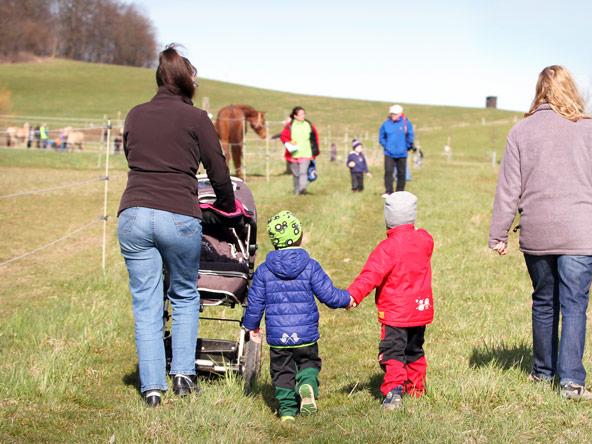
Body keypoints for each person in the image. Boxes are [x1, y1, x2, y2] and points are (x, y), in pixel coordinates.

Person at [488, 65, 592, 401]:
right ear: (571, 89)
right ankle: (571, 381)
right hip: (580, 232)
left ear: (539, 91)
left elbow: (508, 189)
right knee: (574, 305)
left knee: (544, 302)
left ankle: (542, 373)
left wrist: (499, 234)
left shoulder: (521, 131)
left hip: (537, 232)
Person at [117, 44, 236, 407]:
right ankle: (183, 375)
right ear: (187, 82)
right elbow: (217, 168)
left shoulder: (135, 114)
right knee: (184, 295)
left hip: (134, 214)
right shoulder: (197, 118)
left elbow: (130, 155)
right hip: (179, 214)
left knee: (146, 302)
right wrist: (227, 208)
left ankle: (152, 388)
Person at [243, 211, 352, 422]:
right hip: (306, 333)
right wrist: (347, 299)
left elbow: (255, 303)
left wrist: (251, 326)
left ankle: (286, 413)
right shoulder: (310, 266)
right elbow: (328, 295)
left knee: (281, 371)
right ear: (300, 236)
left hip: (278, 336)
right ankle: (307, 386)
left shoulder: (264, 271)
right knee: (308, 362)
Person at [347, 192, 434, 410]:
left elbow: (370, 275)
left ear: (388, 218)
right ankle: (417, 389)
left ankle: (394, 391)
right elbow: (422, 235)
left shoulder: (387, 248)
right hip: (419, 309)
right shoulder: (424, 239)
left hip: (396, 313)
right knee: (414, 350)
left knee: (393, 352)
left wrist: (353, 295)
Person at [280, 107, 319, 195]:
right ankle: (297, 191)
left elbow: (314, 138)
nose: (303, 116)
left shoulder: (308, 124)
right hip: (293, 154)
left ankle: (302, 189)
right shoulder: (290, 126)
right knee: (296, 174)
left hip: (306, 153)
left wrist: (315, 151)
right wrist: (288, 143)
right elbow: (283, 136)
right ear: (295, 116)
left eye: (303, 114)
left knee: (303, 172)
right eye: (300, 114)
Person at [379, 105, 413, 198]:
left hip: (402, 153)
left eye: (395, 113)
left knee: (401, 173)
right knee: (388, 172)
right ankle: (388, 191)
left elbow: (410, 136)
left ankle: (400, 192)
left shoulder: (406, 123)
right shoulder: (386, 124)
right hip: (389, 153)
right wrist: (386, 146)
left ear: (400, 114)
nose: (393, 115)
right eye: (392, 113)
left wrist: (407, 147)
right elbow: (381, 137)